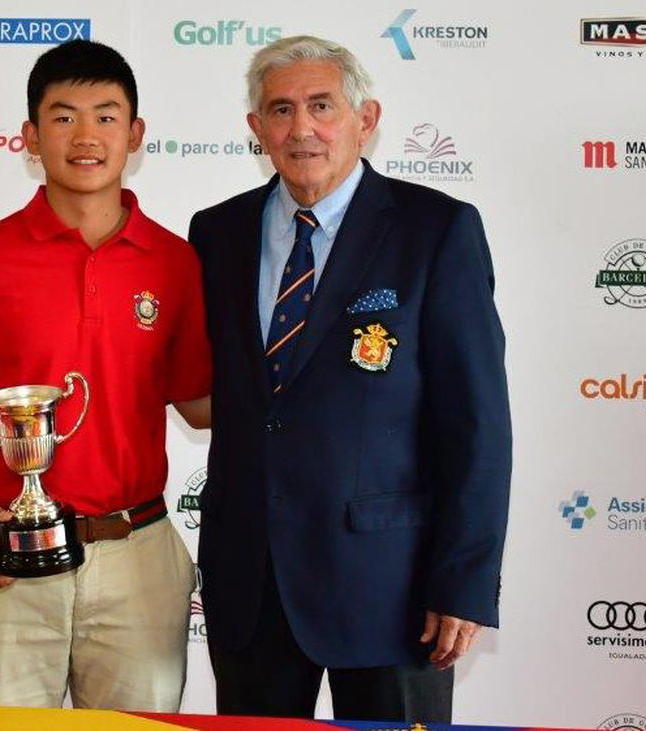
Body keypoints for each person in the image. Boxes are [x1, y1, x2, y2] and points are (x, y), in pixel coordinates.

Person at [187, 35, 511, 723]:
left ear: (365, 120)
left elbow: (475, 422)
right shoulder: (215, 234)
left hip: (391, 587)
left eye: (321, 105)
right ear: (257, 130)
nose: (301, 127)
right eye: (280, 109)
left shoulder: (437, 230)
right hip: (252, 582)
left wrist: (465, 580)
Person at [0, 39, 211, 711]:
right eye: (64, 117)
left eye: (106, 114)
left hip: (139, 557)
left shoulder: (177, 263)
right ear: (31, 138)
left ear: (136, 134)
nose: (87, 135)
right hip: (11, 559)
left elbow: (198, 403)